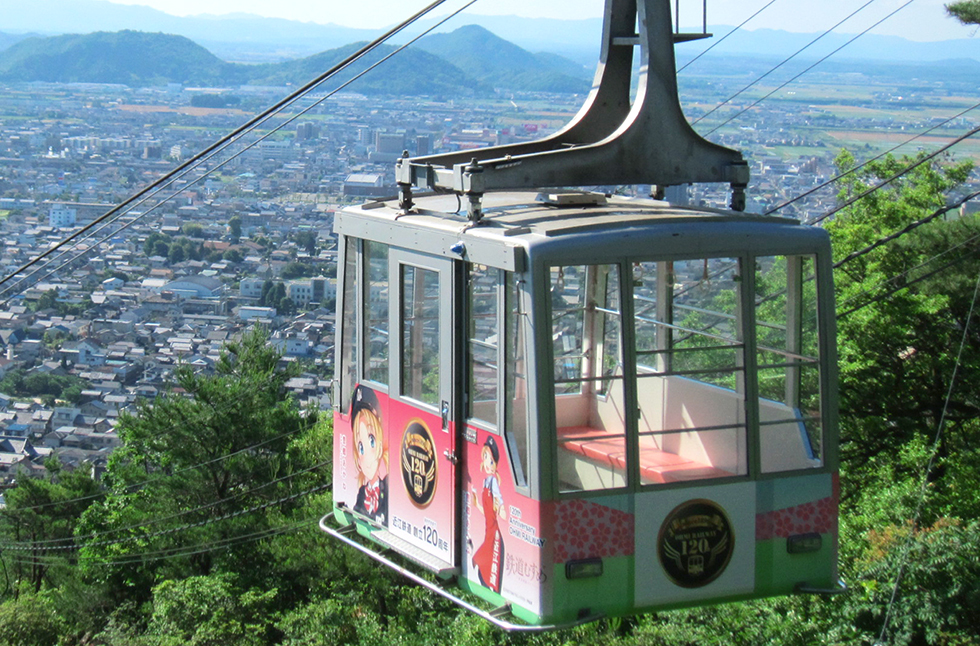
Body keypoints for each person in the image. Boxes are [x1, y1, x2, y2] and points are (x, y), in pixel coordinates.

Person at [471, 435, 506, 592]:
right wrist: (476, 502)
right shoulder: (485, 482)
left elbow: (499, 499)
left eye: (490, 460)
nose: (487, 463)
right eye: (485, 457)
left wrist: (502, 509)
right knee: (483, 563)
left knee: (491, 566)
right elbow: (486, 512)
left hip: (494, 534)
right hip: (488, 532)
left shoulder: (492, 482)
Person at [350, 385, 388, 524]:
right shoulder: (361, 494)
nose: (366, 458)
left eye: (371, 441)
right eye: (361, 448)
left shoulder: (388, 486)